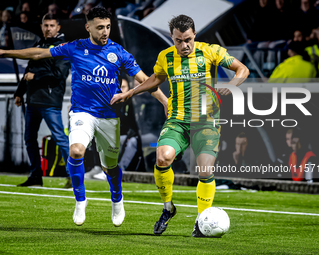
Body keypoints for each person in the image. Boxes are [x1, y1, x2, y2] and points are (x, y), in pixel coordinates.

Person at [0, 6, 168, 227]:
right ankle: (80, 200)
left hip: (108, 117)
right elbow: (39, 53)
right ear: (88, 27)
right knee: (76, 150)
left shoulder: (119, 52)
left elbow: (144, 79)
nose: (105, 31)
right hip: (82, 113)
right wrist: (4, 52)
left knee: (110, 167)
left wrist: (165, 101)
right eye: (100, 27)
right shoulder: (75, 47)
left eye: (108, 27)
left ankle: (117, 198)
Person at [111, 14, 249, 237]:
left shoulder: (210, 51)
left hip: (206, 122)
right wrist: (130, 92)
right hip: (177, 121)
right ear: (172, 38)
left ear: (194, 34)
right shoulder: (165, 56)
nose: (184, 45)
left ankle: (201, 222)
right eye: (178, 40)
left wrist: (231, 85)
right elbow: (155, 79)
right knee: (162, 157)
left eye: (187, 39)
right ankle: (168, 208)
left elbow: (242, 69)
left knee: (205, 169)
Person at [13, 13, 71, 188]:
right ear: (41, 27)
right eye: (45, 25)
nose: (48, 28)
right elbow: (28, 71)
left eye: (52, 25)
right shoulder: (38, 45)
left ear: (58, 27)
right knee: (30, 139)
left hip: (50, 101)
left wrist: (35, 76)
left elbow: (59, 74)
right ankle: (35, 176)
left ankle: (73, 176)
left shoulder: (63, 48)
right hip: (32, 101)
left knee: (60, 138)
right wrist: (19, 92)